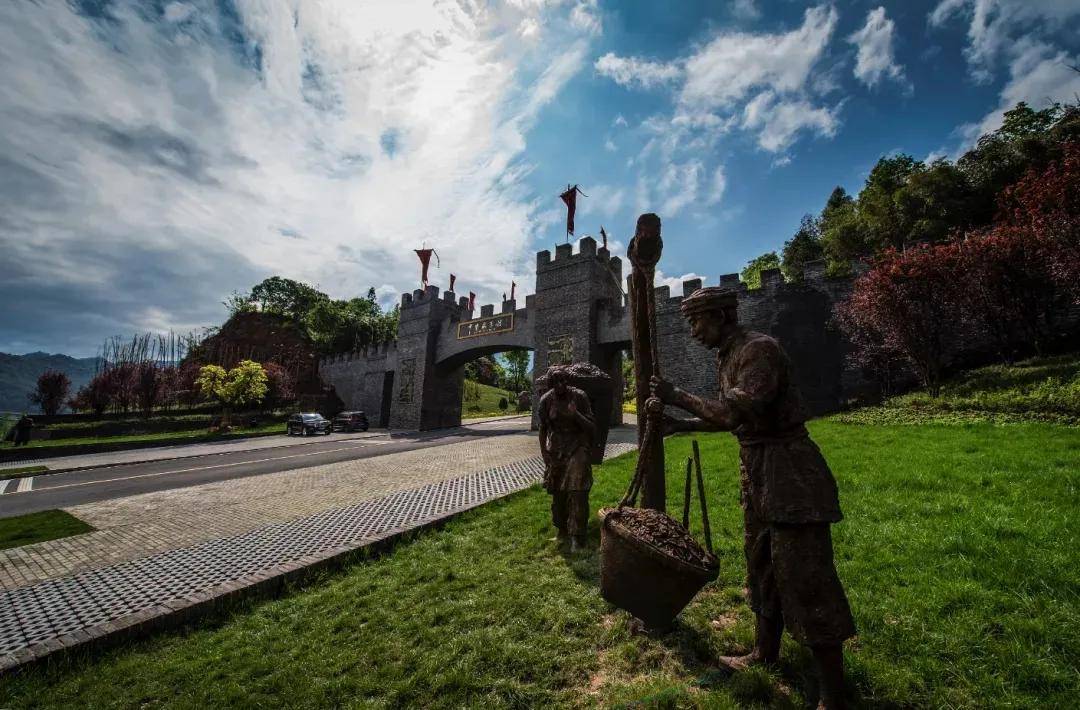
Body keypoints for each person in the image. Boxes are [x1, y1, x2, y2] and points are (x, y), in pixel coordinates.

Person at [650, 286, 855, 710]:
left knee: (804, 575)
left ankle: (834, 691)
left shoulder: (758, 351)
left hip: (790, 472)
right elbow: (734, 422)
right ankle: (765, 652)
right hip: (758, 470)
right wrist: (678, 423)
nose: (692, 331)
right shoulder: (728, 356)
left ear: (722, 315)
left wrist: (675, 395)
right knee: (761, 565)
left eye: (697, 320)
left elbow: (731, 413)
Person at [538, 366, 596, 552]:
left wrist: (576, 414)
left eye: (563, 380)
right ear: (551, 384)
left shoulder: (579, 396)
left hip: (577, 447)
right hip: (556, 449)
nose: (561, 384)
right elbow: (543, 429)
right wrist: (544, 453)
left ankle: (577, 537)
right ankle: (561, 530)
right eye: (556, 381)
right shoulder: (546, 400)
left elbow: (592, 428)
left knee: (577, 491)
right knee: (557, 493)